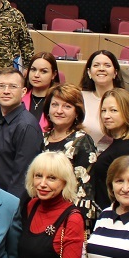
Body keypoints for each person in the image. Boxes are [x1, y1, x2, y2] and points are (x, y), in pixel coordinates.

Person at [41, 83, 98, 225]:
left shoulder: (82, 141)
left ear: (77, 112)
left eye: (67, 106)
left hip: (69, 218)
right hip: (42, 211)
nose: (59, 111)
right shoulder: (42, 138)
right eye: (55, 105)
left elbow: (84, 191)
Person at [87, 88, 129, 215]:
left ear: (127, 113)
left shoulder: (127, 149)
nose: (106, 116)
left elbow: (127, 194)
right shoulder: (118, 143)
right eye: (103, 110)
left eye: (113, 111)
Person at [0, 68, 43, 197]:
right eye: (1, 86)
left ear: (23, 92)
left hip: (10, 205)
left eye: (13, 86)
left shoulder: (26, 126)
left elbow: (22, 180)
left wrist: (9, 211)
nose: (6, 91)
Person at [79, 49, 125, 144]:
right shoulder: (79, 97)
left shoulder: (125, 100)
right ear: (89, 72)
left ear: (115, 72)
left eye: (107, 65)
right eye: (96, 65)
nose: (101, 69)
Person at [23, 51, 59, 132]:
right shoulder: (19, 98)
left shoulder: (59, 101)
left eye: (43, 71)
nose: (36, 75)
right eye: (33, 70)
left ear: (54, 74)